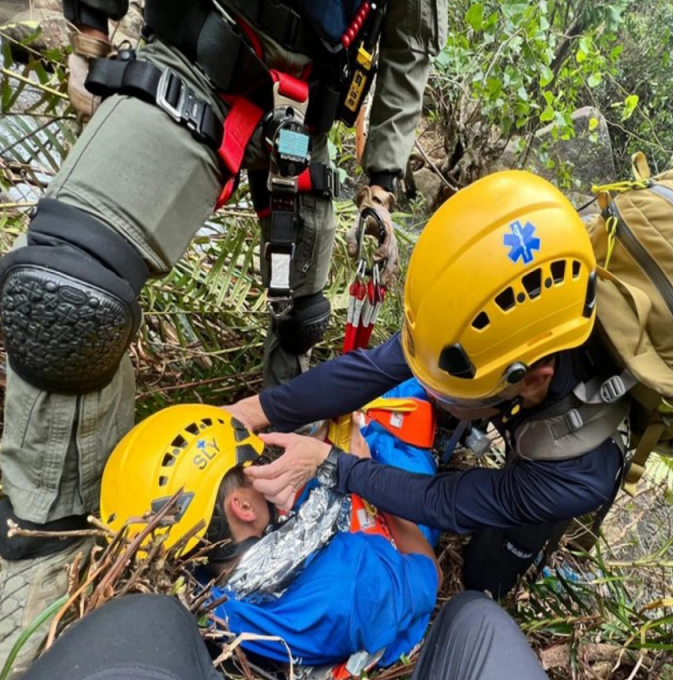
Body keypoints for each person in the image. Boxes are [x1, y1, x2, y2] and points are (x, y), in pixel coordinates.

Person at [0, 0, 447, 666]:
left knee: (300, 326)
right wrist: (91, 29)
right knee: (70, 295)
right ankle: (48, 553)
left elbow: (407, 41)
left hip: (304, 119)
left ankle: (267, 463)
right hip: (198, 54)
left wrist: (382, 177)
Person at [226, 170, 629, 598]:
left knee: (484, 575)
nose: (433, 394)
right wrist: (250, 412)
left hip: (570, 452)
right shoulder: (483, 323)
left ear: (529, 381)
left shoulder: (575, 477)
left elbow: (445, 501)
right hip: (535, 401)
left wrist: (334, 464)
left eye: (445, 392)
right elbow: (371, 370)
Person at [98, 404, 441, 672]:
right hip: (393, 507)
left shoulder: (205, 590)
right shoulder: (351, 588)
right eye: (255, 466)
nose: (265, 467)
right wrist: (372, 480)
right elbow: (430, 572)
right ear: (243, 507)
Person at [19, 591, 549, 680]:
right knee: (476, 615)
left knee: (147, 618)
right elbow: (424, 575)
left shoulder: (222, 604)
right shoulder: (345, 596)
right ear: (243, 506)